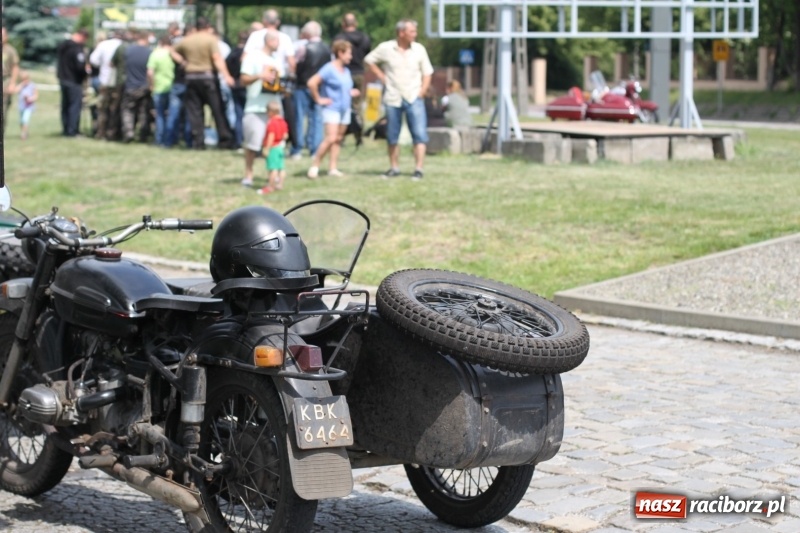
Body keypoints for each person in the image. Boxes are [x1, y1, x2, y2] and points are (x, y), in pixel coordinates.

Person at [365, 19, 433, 180]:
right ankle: (394, 167)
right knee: (392, 134)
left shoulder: (419, 50)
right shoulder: (386, 48)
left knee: (419, 134)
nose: (415, 35)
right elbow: (369, 60)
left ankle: (418, 169)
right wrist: (381, 76)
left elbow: (427, 72)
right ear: (401, 33)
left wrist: (422, 92)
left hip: (413, 96)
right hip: (393, 97)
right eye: (412, 32)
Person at [173, 17, 236, 150]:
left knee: (195, 112)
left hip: (191, 77)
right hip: (208, 78)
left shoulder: (187, 40)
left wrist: (184, 63)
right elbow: (217, 58)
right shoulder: (210, 39)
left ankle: (198, 142)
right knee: (218, 110)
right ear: (208, 27)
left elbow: (172, 51)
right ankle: (225, 140)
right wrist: (227, 76)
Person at [244, 10, 297, 152]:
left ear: (264, 21)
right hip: (274, 85)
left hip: (259, 87)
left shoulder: (255, 35)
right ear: (278, 22)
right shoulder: (284, 37)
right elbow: (292, 63)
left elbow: (244, 58)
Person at [306, 40, 359, 179]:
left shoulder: (346, 70)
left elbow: (343, 87)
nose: (351, 57)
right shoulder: (328, 68)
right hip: (332, 108)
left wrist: (351, 92)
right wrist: (319, 99)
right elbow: (312, 83)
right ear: (340, 53)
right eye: (348, 53)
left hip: (344, 109)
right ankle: (315, 165)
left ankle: (332, 167)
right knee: (330, 138)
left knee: (338, 139)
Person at [239, 30, 283, 188]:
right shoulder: (252, 57)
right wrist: (260, 76)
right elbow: (243, 79)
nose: (279, 44)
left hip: (274, 109)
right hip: (255, 107)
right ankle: (248, 176)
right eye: (277, 41)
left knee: (275, 145)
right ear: (270, 41)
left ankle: (273, 176)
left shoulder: (276, 60)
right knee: (252, 145)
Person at [292, 21, 330, 159]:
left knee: (299, 118)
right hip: (319, 87)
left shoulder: (303, 48)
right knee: (317, 119)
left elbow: (295, 66)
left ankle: (297, 149)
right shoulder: (327, 49)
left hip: (302, 86)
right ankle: (315, 150)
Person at [333, 13, 371, 119]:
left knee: (341, 101)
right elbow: (368, 55)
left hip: (342, 73)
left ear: (343, 24)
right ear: (356, 23)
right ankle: (358, 129)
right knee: (357, 104)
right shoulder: (365, 38)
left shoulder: (339, 38)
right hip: (359, 73)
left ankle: (343, 128)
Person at [89, 30, 122, 140]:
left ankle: (101, 132)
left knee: (103, 109)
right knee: (116, 108)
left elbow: (93, 60)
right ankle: (114, 133)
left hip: (105, 81)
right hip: (118, 83)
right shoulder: (123, 46)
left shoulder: (103, 45)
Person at [56, 29, 90, 137]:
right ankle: (73, 131)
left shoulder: (63, 46)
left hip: (63, 79)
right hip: (74, 81)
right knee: (74, 106)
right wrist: (86, 72)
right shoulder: (77, 49)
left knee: (65, 106)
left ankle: (66, 129)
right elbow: (80, 66)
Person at [120, 31, 152, 143]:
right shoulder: (149, 52)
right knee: (143, 111)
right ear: (146, 39)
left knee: (128, 110)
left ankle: (128, 132)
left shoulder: (128, 51)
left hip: (130, 86)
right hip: (144, 87)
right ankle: (143, 134)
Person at [147, 34, 175, 146]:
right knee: (171, 114)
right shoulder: (172, 54)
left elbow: (150, 72)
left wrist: (151, 85)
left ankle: (159, 139)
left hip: (158, 88)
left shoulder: (155, 54)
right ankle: (170, 140)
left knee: (159, 115)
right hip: (172, 87)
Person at [259, 100, 289, 195]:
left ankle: (270, 186)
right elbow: (285, 136)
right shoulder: (283, 122)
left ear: (271, 112)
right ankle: (280, 184)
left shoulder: (272, 122)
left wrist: (267, 148)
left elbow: (271, 136)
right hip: (280, 147)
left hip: (273, 148)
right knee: (281, 168)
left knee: (273, 169)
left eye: (267, 111)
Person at [225, 30, 249, 149]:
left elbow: (226, 65)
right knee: (248, 115)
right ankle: (248, 140)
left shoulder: (232, 52)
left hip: (235, 85)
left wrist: (230, 78)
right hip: (246, 86)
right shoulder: (248, 53)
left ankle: (238, 141)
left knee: (238, 114)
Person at [2, 27, 20, 137]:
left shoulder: (10, 51)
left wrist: (12, 83)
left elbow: (15, 67)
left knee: (3, 109)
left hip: (5, 80)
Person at [16, 70, 37, 140]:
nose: (24, 81)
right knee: (21, 121)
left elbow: (36, 96)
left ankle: (23, 134)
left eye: (25, 79)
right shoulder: (21, 86)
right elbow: (16, 90)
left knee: (25, 120)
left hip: (28, 107)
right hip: (21, 106)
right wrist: (21, 84)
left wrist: (31, 98)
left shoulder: (32, 86)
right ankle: (25, 131)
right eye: (23, 79)